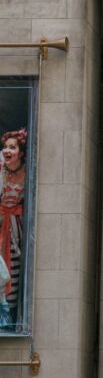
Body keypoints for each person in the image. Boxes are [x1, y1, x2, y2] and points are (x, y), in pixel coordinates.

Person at [0, 128, 27, 326]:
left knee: (13, 272)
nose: (7, 151)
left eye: (12, 147)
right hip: (0, 225)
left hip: (15, 230)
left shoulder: (27, 173)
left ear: (21, 152)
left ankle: (7, 321)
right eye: (5, 147)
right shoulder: (0, 170)